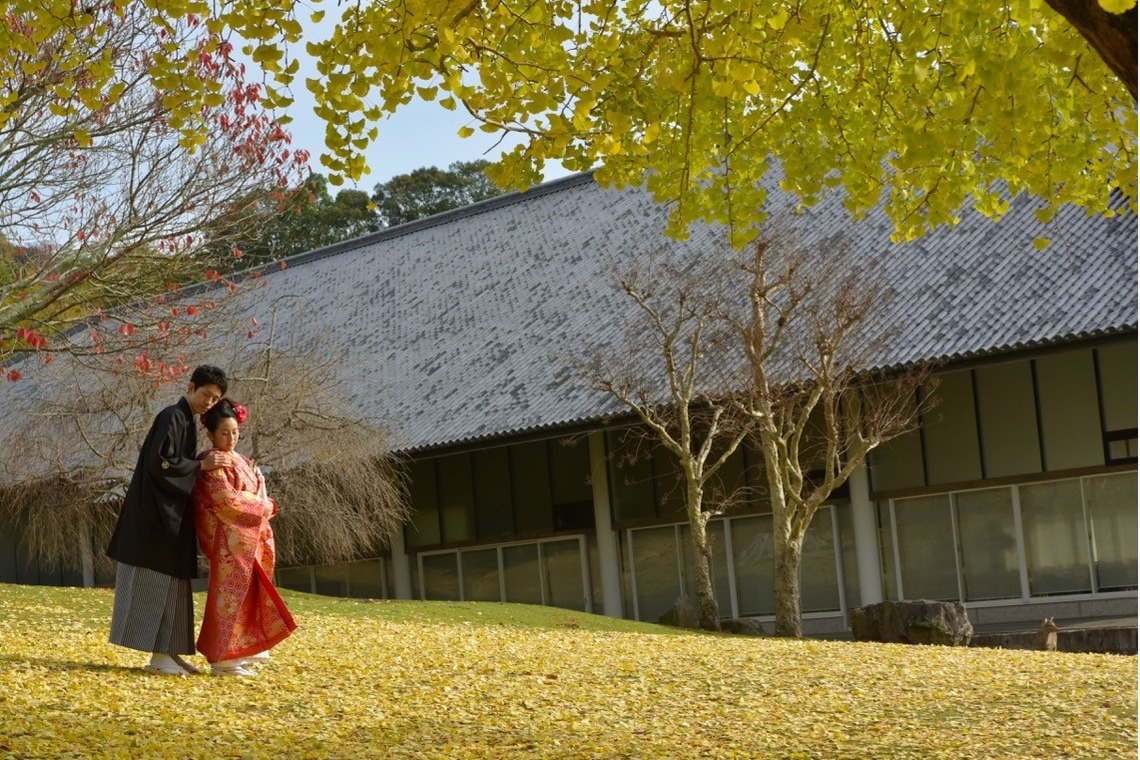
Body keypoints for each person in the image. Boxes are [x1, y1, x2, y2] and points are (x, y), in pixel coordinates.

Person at [106, 364, 229, 675]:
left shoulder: (185, 421)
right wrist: (200, 467)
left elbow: (175, 464)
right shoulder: (172, 416)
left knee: (176, 587)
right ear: (191, 387)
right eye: (206, 395)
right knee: (157, 585)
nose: (209, 403)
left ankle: (170, 653)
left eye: (215, 399)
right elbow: (160, 464)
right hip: (153, 520)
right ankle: (158, 657)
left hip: (169, 519)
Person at [191, 397, 296, 676]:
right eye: (224, 433)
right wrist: (263, 505)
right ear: (211, 434)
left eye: (235, 431)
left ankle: (241, 651)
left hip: (247, 538)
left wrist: (257, 499)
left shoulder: (242, 461)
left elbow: (253, 491)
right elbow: (225, 501)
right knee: (229, 598)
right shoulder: (211, 462)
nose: (231, 438)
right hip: (229, 540)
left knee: (249, 595)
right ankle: (223, 658)